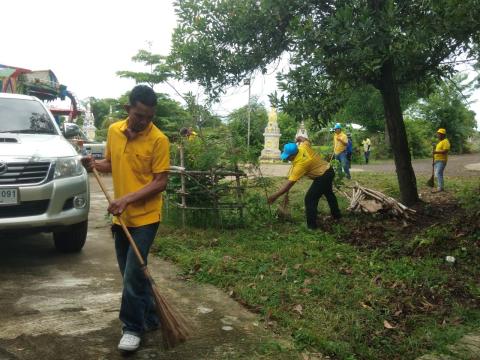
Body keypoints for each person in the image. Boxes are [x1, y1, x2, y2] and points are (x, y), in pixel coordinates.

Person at [82, 85, 170, 352]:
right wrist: (94, 165)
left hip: (145, 217)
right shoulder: (114, 132)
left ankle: (132, 328)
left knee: (133, 273)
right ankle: (152, 317)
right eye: (139, 115)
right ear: (128, 109)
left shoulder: (159, 140)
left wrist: (127, 200)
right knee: (130, 274)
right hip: (121, 219)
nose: (144, 121)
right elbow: (112, 163)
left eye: (149, 117)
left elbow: (160, 182)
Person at [267, 136, 341, 229]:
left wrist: (274, 196)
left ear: (293, 155)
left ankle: (312, 227)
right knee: (329, 194)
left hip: (323, 176)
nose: (287, 159)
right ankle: (337, 216)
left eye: (288, 157)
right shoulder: (303, 147)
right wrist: (300, 138)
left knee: (310, 199)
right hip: (328, 169)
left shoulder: (301, 164)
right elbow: (306, 140)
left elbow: (288, 185)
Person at [432, 128, 450, 193]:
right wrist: (434, 161)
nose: (438, 135)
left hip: (442, 160)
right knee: (438, 174)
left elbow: (445, 151)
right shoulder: (440, 142)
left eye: (439, 134)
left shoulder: (446, 141)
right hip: (437, 161)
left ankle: (440, 187)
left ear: (443, 135)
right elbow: (438, 151)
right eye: (438, 134)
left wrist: (435, 152)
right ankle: (440, 186)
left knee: (438, 173)